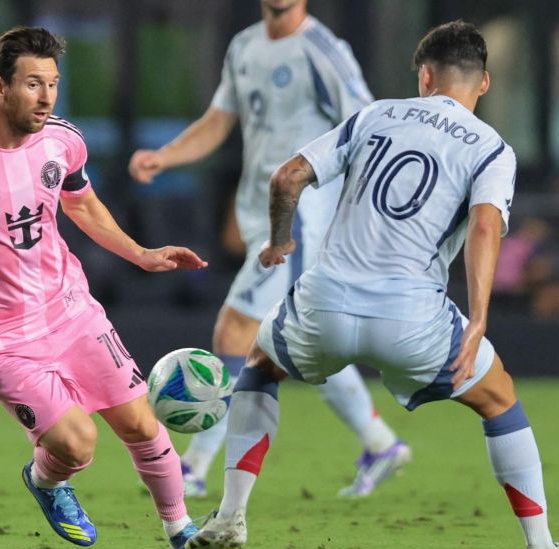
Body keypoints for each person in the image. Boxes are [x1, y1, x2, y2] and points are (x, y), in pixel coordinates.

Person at [188, 21, 559, 549]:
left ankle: (230, 515)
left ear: (425, 75)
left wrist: (278, 242)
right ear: (483, 84)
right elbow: (485, 226)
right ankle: (541, 546)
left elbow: (287, 177)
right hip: (412, 319)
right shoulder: (492, 149)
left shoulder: (376, 114)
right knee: (500, 399)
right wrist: (479, 316)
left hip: (325, 302)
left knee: (259, 363)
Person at [0, 27, 207, 549]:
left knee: (142, 424)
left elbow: (81, 203)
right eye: (33, 84)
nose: (47, 97)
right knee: (78, 443)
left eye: (53, 84)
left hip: (69, 309)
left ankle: (182, 533)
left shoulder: (63, 139)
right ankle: (47, 481)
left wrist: (141, 253)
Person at [128, 0, 409, 499]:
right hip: (262, 215)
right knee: (298, 339)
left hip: (301, 217)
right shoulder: (244, 46)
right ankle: (380, 442)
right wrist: (165, 157)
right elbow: (219, 120)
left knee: (235, 328)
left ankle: (194, 464)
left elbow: (371, 125)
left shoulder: (323, 49)